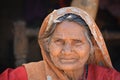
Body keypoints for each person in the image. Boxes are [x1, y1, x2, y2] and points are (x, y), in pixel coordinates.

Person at [0, 7, 120, 80]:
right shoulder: (25, 76)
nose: (67, 51)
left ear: (92, 46)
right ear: (47, 44)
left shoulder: (108, 78)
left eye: (77, 42)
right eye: (59, 41)